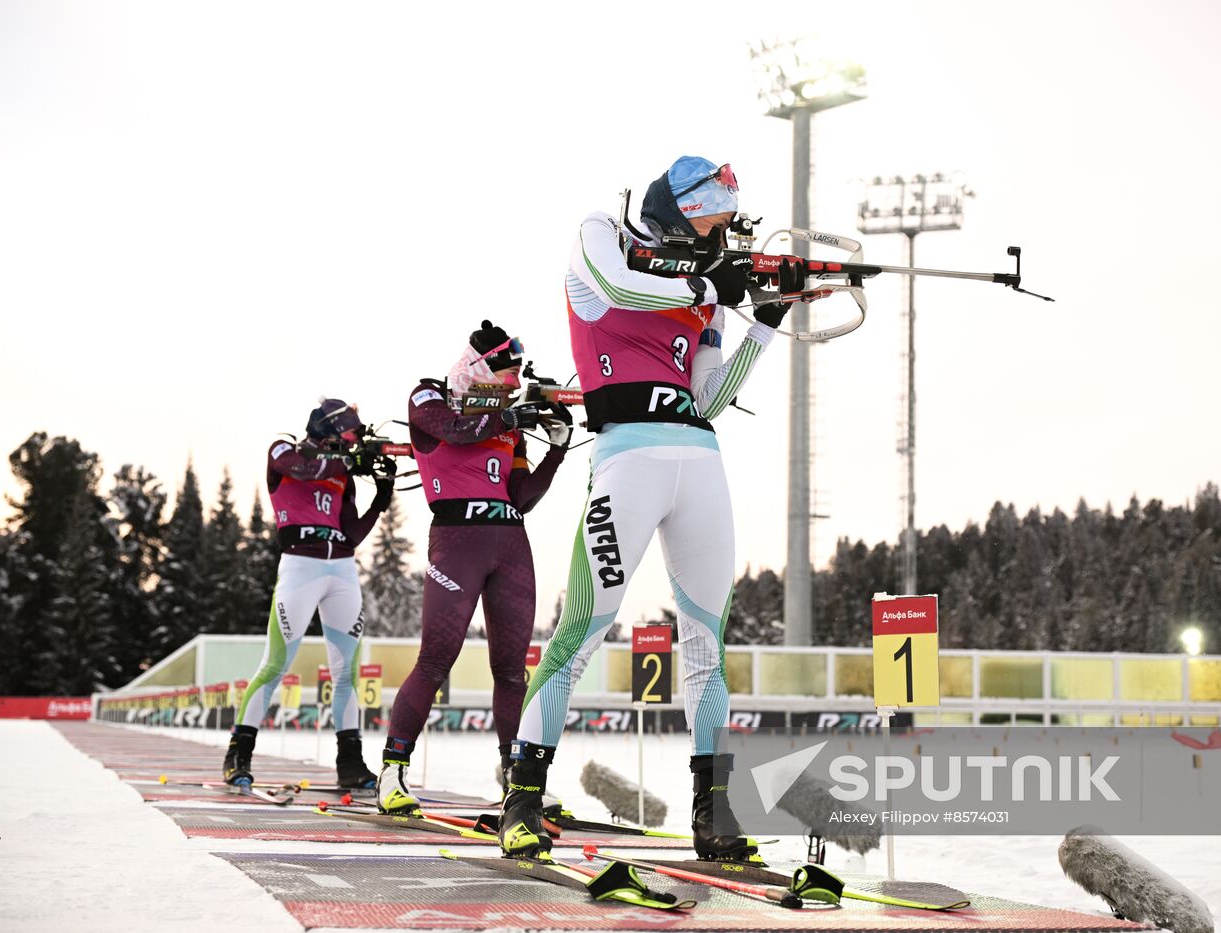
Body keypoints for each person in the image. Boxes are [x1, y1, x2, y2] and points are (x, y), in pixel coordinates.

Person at [500, 157, 798, 861]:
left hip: (699, 459)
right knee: (582, 628)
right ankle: (521, 796)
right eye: (709, 219)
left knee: (706, 642)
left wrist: (762, 320)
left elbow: (710, 397)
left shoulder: (703, 290)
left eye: (724, 225)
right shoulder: (602, 233)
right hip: (626, 458)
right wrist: (705, 283)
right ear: (673, 207)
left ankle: (713, 812)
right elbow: (616, 286)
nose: (716, 233)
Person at [376, 321, 572, 815]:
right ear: (479, 367)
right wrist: (511, 414)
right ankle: (393, 772)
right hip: (457, 541)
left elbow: (521, 497)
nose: (513, 382)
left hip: (510, 543)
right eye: (507, 373)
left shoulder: (506, 420)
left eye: (518, 376)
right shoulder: (429, 396)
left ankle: (517, 779)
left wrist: (558, 448)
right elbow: (455, 430)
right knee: (435, 659)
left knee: (511, 671)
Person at [222, 399, 394, 789]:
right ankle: (237, 755)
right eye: (347, 435)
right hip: (301, 567)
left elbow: (350, 534)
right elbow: (300, 467)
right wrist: (350, 462)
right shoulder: (285, 448)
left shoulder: (341, 473)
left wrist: (379, 502)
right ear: (327, 429)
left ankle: (350, 764)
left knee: (346, 672)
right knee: (275, 664)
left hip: (342, 570)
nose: (351, 444)